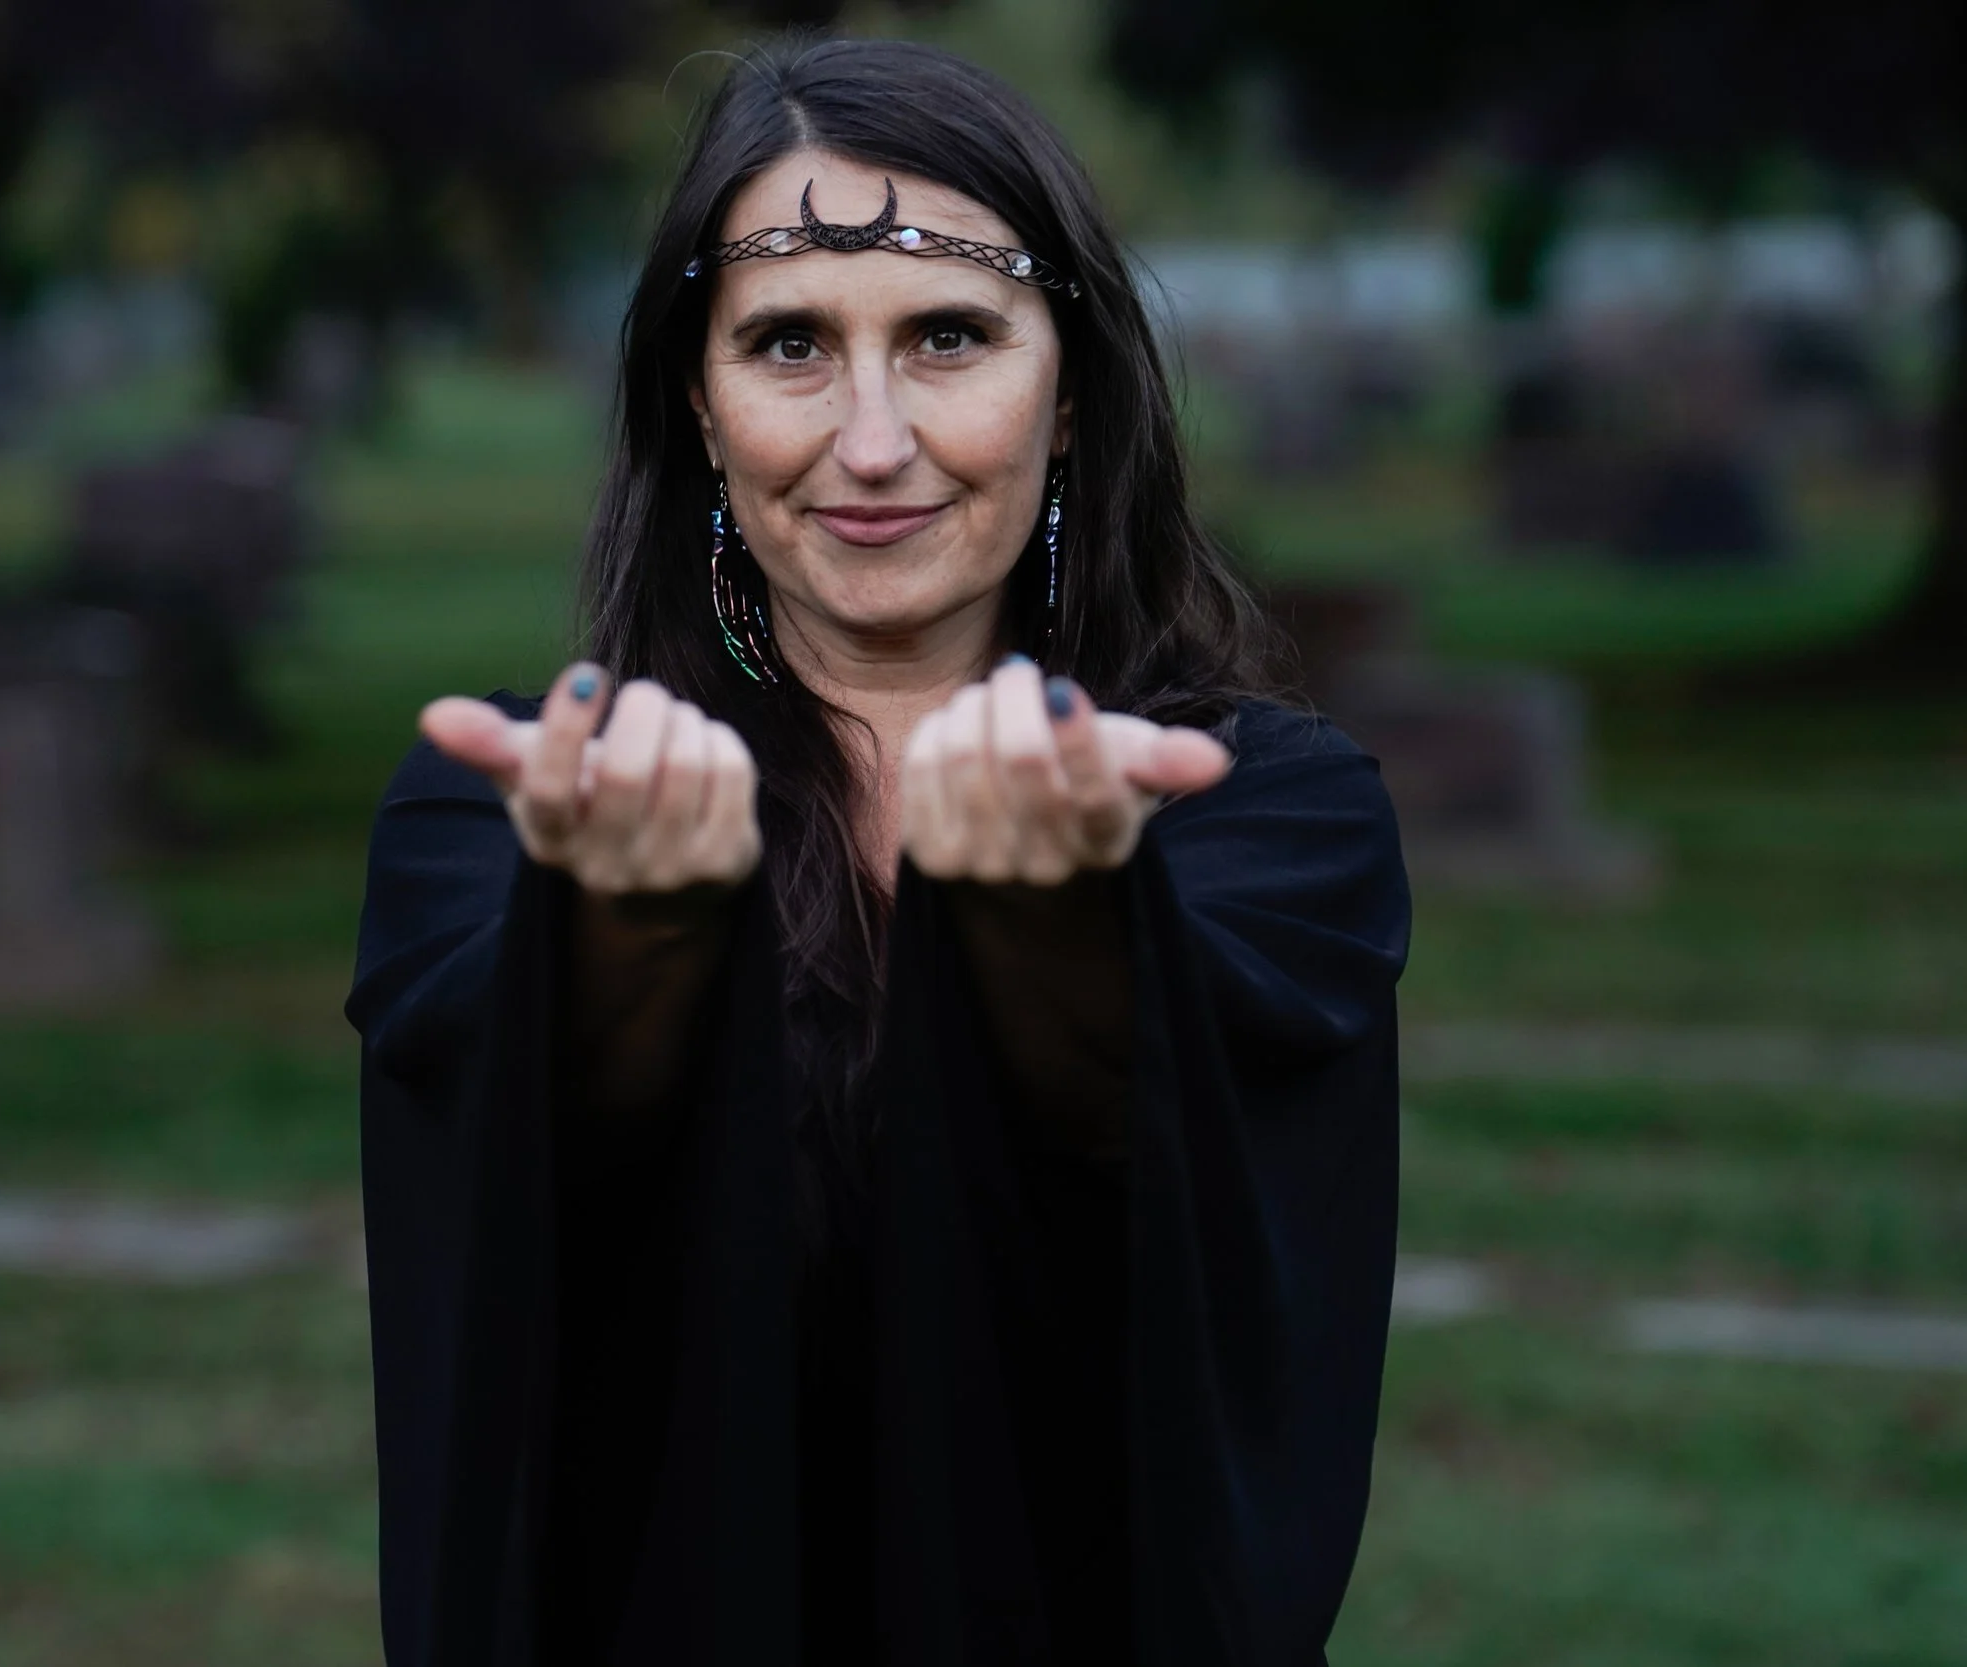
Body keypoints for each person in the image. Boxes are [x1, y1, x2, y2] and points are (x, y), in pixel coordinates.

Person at [345, 35, 1410, 1667]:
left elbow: (1191, 1270)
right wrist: (626, 932)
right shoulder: (501, 814)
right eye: (789, 343)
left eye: (949, 338)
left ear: (1070, 395)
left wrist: (1056, 926)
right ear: (698, 404)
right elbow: (519, 1275)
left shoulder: (1264, 815)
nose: (870, 440)